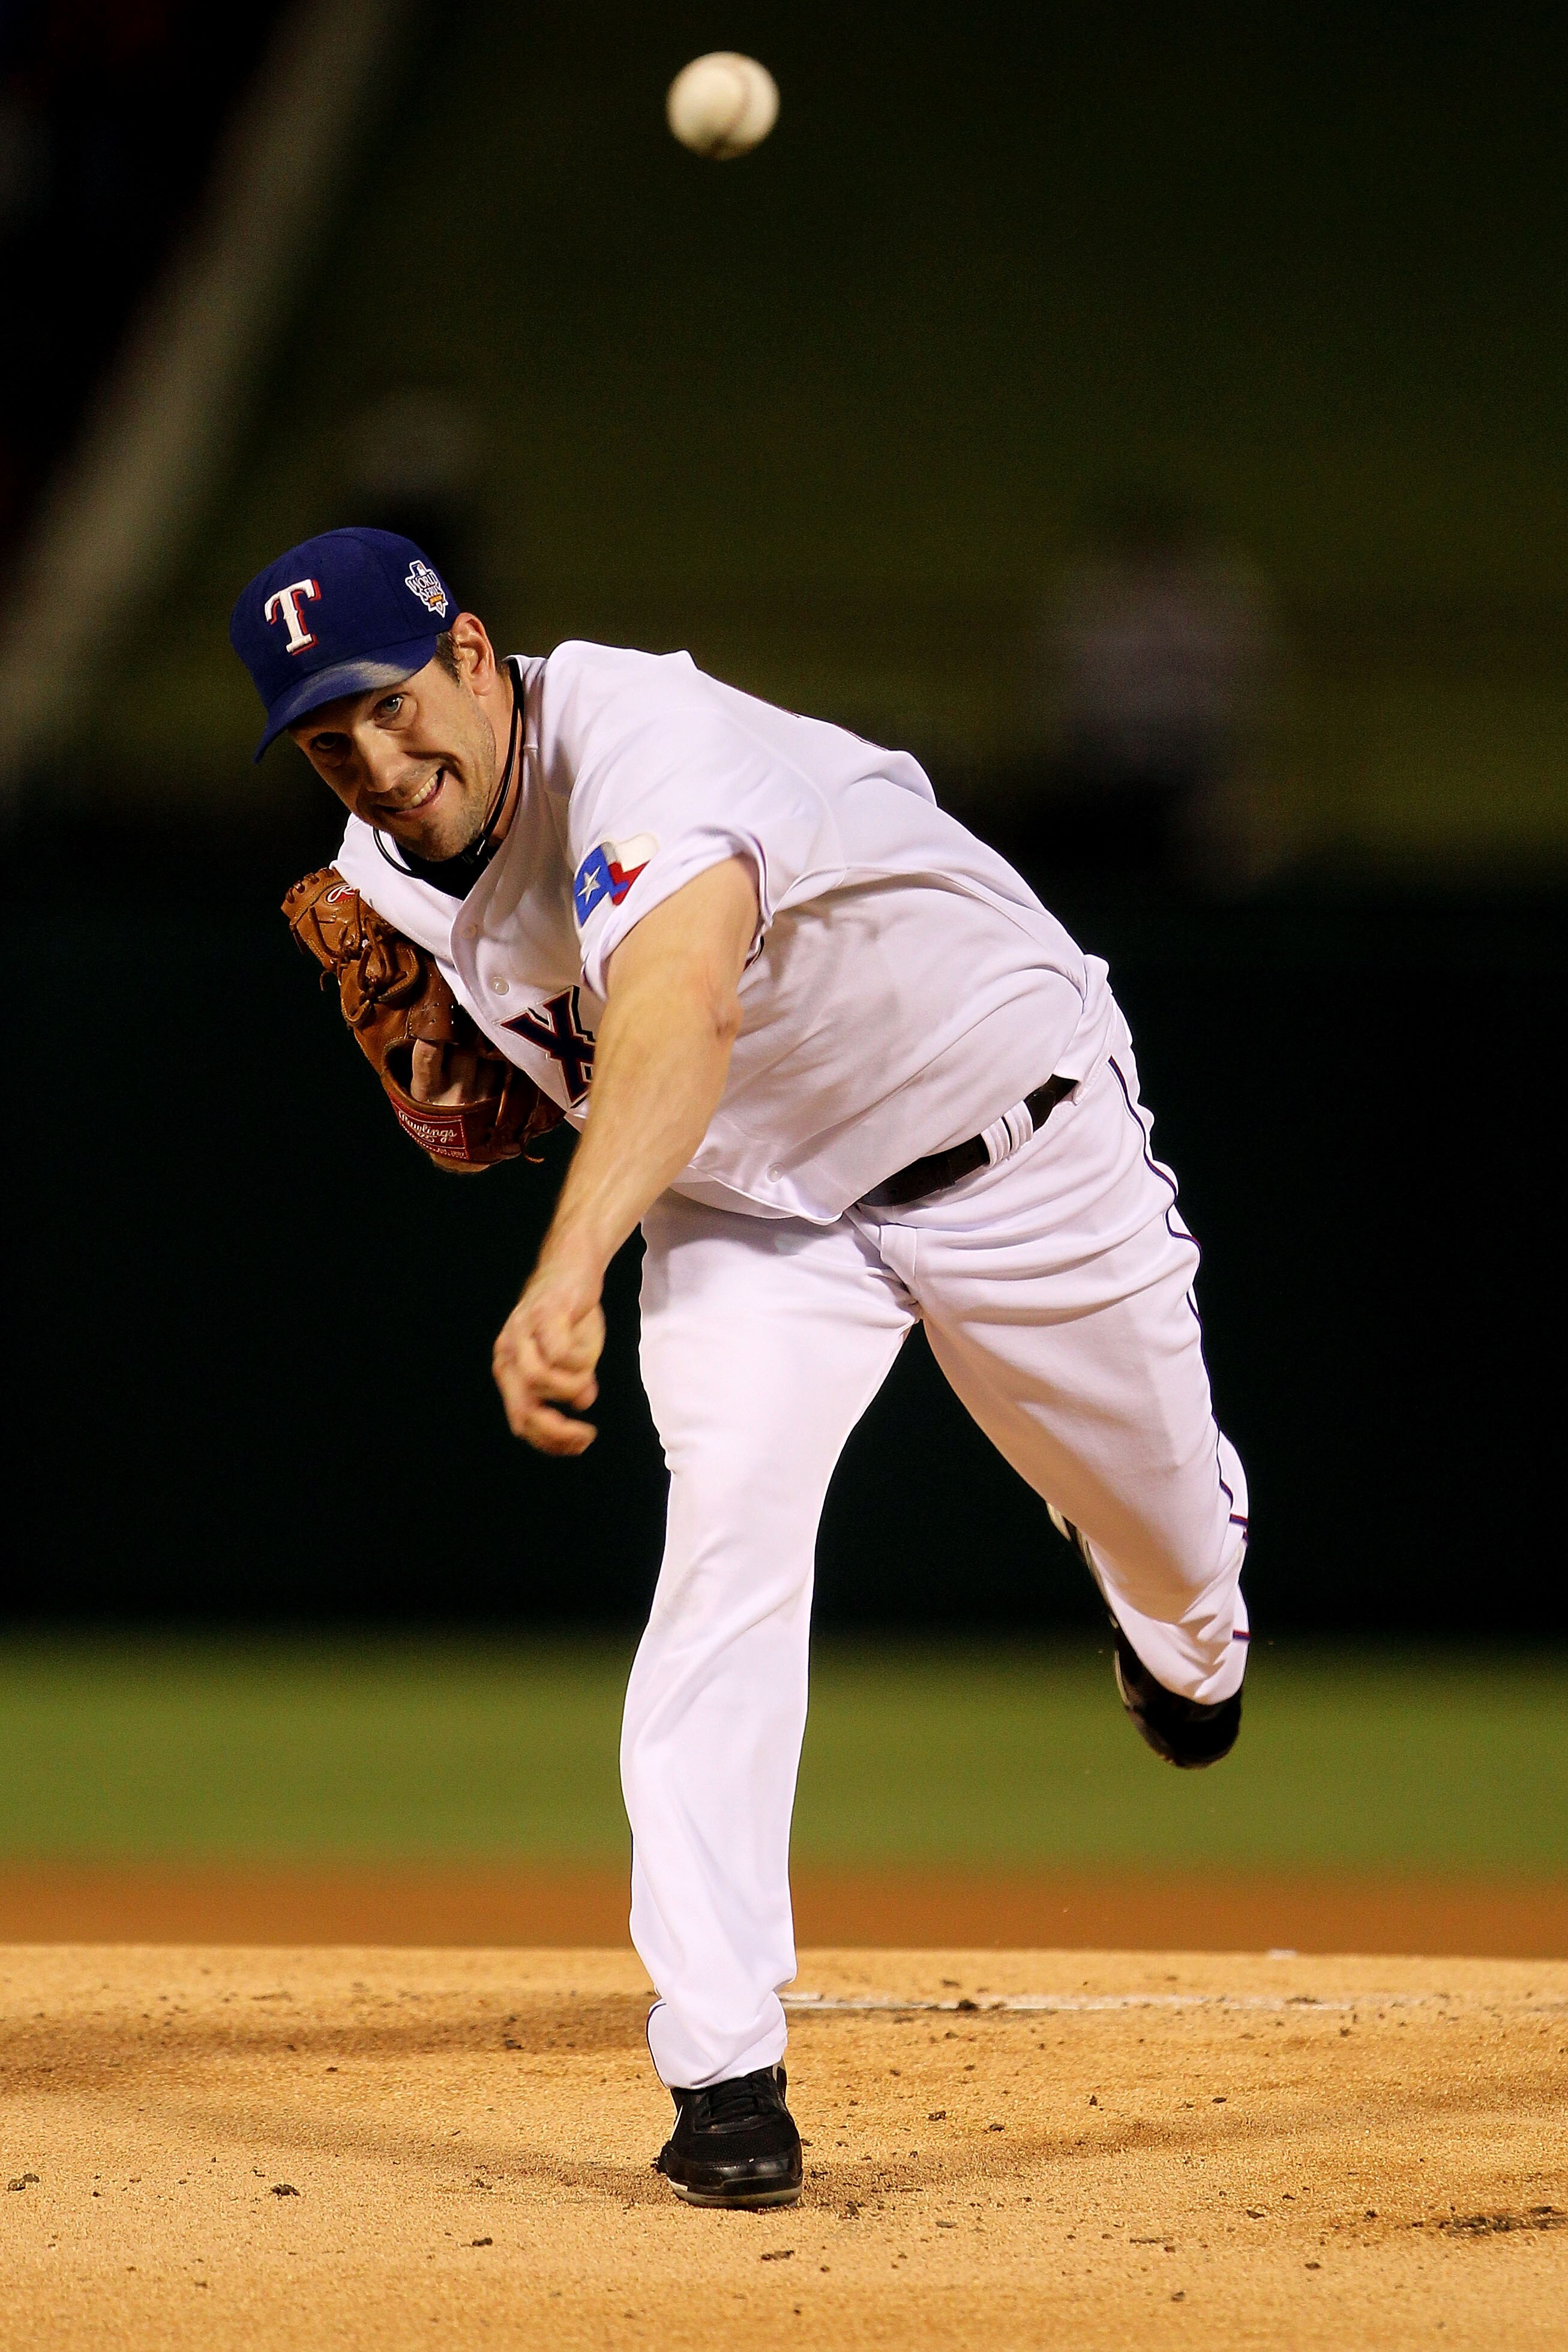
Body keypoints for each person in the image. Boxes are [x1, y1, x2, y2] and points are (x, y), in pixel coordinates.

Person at [231, 528, 1251, 2213]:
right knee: (724, 1552)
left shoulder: (648, 745)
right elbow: (562, 1066)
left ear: (475, 656)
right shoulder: (383, 860)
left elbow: (680, 1007)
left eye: (395, 707)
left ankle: (1175, 1618)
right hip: (756, 1213)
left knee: (1182, 1568)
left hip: (1012, 1143)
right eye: (331, 743)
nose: (379, 762)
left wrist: (564, 1271)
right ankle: (721, 2070)